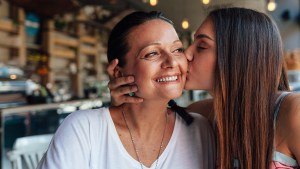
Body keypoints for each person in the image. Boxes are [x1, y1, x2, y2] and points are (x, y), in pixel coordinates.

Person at [107, 8, 300, 169]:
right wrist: (124, 102)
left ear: (237, 55)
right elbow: (144, 123)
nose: (185, 55)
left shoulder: (293, 112)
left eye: (201, 46)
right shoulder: (201, 115)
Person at [37, 11, 216, 169]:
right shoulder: (85, 129)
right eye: (152, 53)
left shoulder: (199, 130)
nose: (172, 62)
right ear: (118, 72)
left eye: (177, 49)